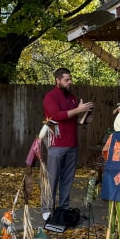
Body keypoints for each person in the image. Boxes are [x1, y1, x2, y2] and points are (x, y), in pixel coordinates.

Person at [42, 67, 94, 219]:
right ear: (57, 80)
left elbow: (70, 119)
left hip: (72, 144)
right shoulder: (50, 97)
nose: (69, 82)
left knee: (68, 178)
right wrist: (78, 111)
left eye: (70, 79)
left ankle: (63, 207)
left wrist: (83, 120)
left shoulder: (72, 98)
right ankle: (47, 208)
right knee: (52, 177)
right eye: (66, 80)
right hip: (56, 144)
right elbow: (56, 116)